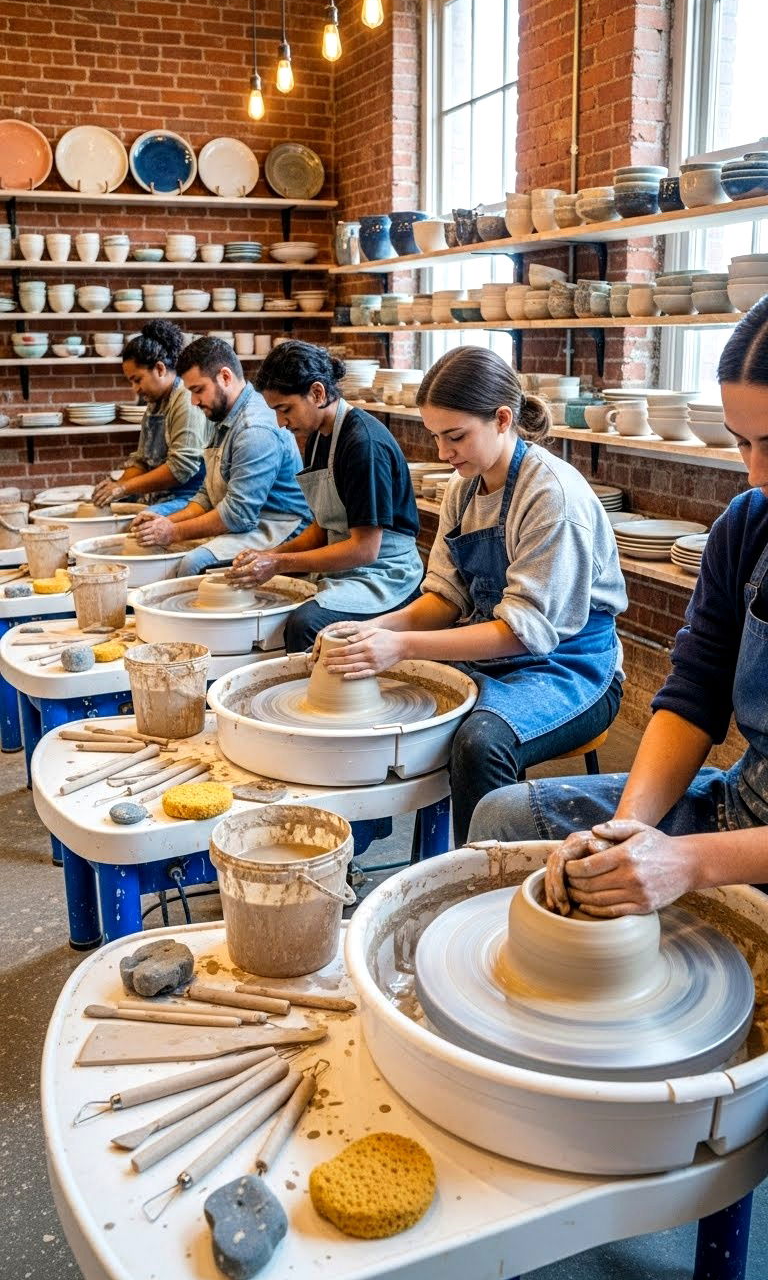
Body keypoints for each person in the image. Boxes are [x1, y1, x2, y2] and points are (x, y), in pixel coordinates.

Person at [469, 297, 768, 920]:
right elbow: (693, 696)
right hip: (747, 806)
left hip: (744, 850)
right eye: (743, 444)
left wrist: (691, 862)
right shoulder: (748, 527)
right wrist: (627, 832)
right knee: (505, 817)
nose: (756, 473)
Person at [317, 347, 627, 844]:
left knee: (480, 744)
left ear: (502, 419)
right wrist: (373, 630)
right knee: (398, 695)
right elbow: (444, 599)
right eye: (436, 436)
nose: (443, 452)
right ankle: (368, 843)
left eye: (455, 436)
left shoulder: (551, 497)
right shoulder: (464, 490)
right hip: (495, 651)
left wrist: (400, 646)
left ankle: (481, 884)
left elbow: (522, 634)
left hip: (572, 666)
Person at [227, 341, 424, 651]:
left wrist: (279, 564)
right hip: (350, 569)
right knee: (275, 603)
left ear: (317, 393)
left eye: (285, 409)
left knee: (304, 624)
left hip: (386, 575)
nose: (281, 422)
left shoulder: (363, 445)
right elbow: (323, 527)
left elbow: (365, 551)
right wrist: (271, 556)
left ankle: (314, 697)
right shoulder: (319, 438)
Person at [131, 336, 310, 576]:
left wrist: (173, 531)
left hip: (280, 525)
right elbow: (207, 494)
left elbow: (238, 516)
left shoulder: (253, 429)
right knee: (161, 540)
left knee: (191, 563)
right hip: (248, 519)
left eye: (198, 390)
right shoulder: (224, 414)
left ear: (225, 377)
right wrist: (169, 521)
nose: (193, 402)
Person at [91, 319, 207, 515]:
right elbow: (142, 461)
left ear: (160, 369)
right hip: (163, 495)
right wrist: (116, 485)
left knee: (141, 523)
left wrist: (123, 488)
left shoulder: (186, 399)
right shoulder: (155, 403)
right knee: (115, 510)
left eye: (137, 380)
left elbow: (181, 468)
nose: (135, 389)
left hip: (193, 496)